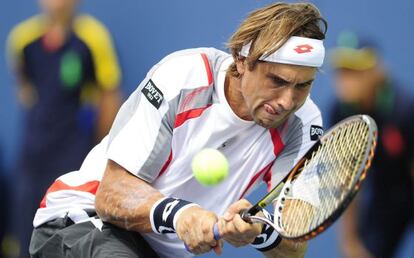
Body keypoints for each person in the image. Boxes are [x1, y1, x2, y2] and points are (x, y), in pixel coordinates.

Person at [29, 2, 327, 258]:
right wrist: (181, 215)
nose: (288, 101)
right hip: (84, 220)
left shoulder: (303, 123)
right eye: (276, 80)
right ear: (242, 60)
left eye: (303, 85)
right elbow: (110, 195)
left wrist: (259, 231)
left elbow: (295, 243)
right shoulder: (185, 76)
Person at [6, 0, 121, 256]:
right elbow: (25, 87)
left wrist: (103, 153)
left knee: (70, 239)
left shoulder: (93, 37)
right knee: (25, 237)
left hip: (73, 156)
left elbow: (109, 94)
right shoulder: (22, 39)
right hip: (32, 157)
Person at [329, 31, 414, 258]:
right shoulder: (340, 113)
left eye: (354, 70)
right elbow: (347, 181)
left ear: (376, 72)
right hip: (384, 197)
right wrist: (349, 242)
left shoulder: (405, 109)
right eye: (342, 70)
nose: (345, 78)